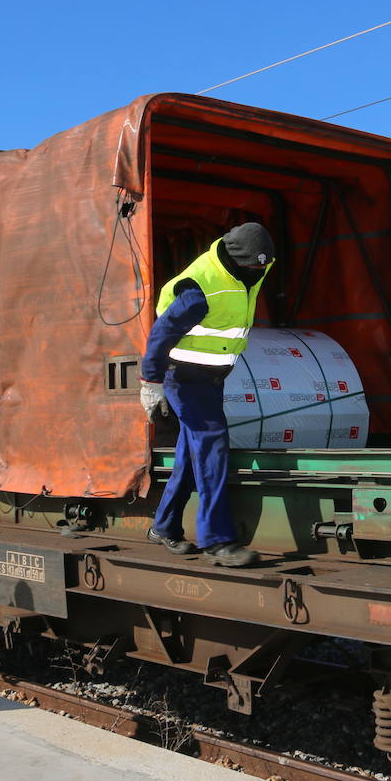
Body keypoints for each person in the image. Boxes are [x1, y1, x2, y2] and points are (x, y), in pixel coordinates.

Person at [140, 223, 275, 568]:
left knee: (190, 455)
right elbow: (161, 334)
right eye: (255, 267)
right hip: (183, 379)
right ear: (237, 261)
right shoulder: (201, 290)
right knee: (213, 446)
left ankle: (163, 526)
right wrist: (151, 384)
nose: (261, 272)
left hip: (213, 379)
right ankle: (218, 541)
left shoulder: (254, 269)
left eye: (264, 266)